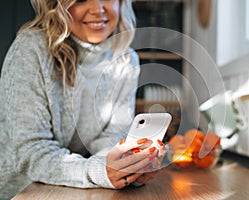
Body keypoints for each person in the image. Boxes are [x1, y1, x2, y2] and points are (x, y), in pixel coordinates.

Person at [0, 0, 165, 199]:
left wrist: (127, 170)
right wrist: (99, 171)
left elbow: (110, 137)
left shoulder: (125, 59)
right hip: (19, 191)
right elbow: (31, 152)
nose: (98, 9)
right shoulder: (31, 49)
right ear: (58, 5)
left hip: (76, 190)